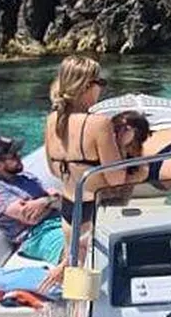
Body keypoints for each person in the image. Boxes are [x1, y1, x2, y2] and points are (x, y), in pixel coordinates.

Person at [42, 56, 133, 284]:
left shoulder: (52, 120)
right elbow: (116, 178)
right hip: (95, 213)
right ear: (86, 86)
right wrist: (122, 146)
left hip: (69, 211)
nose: (101, 88)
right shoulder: (98, 124)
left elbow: (53, 170)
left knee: (78, 281)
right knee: (100, 284)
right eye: (99, 82)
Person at [0, 135, 64, 263]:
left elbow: (59, 197)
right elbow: (30, 217)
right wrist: (48, 201)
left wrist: (42, 202)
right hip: (38, 235)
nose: (19, 156)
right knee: (76, 250)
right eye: (13, 156)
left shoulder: (25, 177)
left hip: (59, 219)